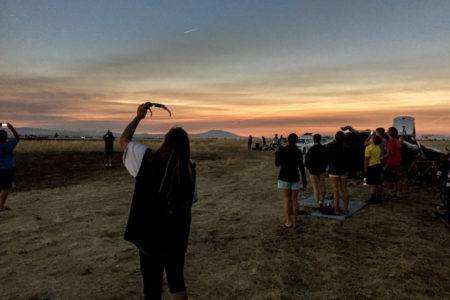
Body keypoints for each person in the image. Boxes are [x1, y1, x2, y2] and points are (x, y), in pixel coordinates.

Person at [120, 104, 198, 300]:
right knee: (177, 282)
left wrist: (138, 117)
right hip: (176, 239)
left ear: (165, 142)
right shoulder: (189, 170)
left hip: (149, 239)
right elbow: (192, 200)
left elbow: (124, 140)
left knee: (152, 289)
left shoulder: (146, 158)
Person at [275, 133, 307, 228]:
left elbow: (277, 164)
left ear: (288, 140)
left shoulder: (283, 150)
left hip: (284, 177)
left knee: (286, 200)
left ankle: (288, 222)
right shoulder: (298, 151)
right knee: (294, 200)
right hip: (295, 178)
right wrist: (304, 181)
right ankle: (294, 222)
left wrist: (276, 154)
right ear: (297, 141)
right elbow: (301, 167)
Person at [326, 131, 350, 215]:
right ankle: (345, 209)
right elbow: (349, 160)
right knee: (344, 190)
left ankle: (336, 210)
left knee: (335, 191)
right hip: (344, 170)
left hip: (333, 170)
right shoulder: (346, 147)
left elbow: (326, 158)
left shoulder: (329, 146)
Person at [0, 123, 20, 212]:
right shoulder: (8, 145)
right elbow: (17, 137)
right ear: (6, 137)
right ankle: (1, 206)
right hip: (7, 169)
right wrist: (11, 128)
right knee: (7, 187)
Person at [305, 134, 327, 206]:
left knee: (315, 187)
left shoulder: (311, 149)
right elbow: (327, 159)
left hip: (313, 170)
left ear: (313, 140)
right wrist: (325, 167)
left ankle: (317, 201)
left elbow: (307, 160)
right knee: (322, 185)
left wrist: (309, 168)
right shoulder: (323, 148)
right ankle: (322, 200)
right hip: (321, 169)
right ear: (320, 140)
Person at [382, 127, 402, 199]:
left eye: (388, 131)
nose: (387, 132)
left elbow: (390, 153)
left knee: (389, 180)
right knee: (397, 179)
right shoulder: (396, 140)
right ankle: (398, 194)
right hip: (397, 162)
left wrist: (383, 157)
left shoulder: (391, 141)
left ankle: (392, 193)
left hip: (392, 162)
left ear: (390, 132)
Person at [364, 134, 383, 204]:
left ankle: (373, 198)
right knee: (378, 182)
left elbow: (366, 159)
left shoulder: (368, 148)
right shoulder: (378, 147)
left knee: (372, 184)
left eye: (371, 139)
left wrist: (365, 168)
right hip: (378, 165)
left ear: (373, 140)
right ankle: (379, 197)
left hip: (371, 166)